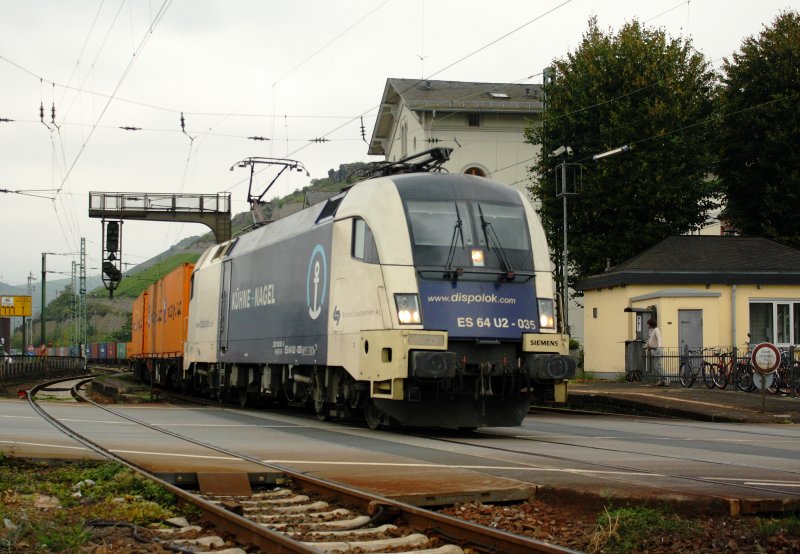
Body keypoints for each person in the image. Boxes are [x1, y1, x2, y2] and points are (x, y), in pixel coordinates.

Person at [645, 318, 666, 385]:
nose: (647, 325)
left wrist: (659, 346)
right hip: (652, 350)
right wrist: (646, 346)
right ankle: (661, 380)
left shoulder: (656, 330)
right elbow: (649, 340)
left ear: (651, 324)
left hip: (657, 349)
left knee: (658, 366)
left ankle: (666, 379)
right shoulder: (651, 331)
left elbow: (659, 337)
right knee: (655, 367)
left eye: (648, 324)